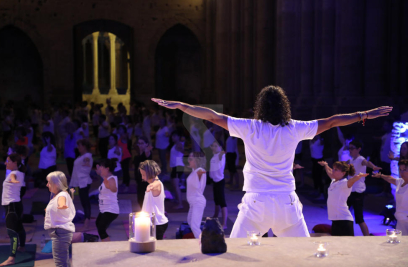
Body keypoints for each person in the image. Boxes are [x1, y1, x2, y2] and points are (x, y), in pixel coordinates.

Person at [152, 85, 392, 238]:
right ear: (284, 106)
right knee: (302, 259)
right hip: (286, 201)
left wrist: (181, 106)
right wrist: (365, 115)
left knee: (233, 257)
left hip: (256, 202)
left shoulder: (249, 127)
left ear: (260, 107)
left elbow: (214, 117)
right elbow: (331, 121)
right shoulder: (295, 128)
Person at [318, 161, 368, 236]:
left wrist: (358, 176)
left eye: (336, 169)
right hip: (335, 220)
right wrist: (326, 165)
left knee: (347, 246)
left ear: (343, 173)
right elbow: (329, 171)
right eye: (333, 168)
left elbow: (352, 180)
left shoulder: (344, 184)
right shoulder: (333, 181)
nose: (333, 170)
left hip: (344, 220)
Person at [347, 140, 382, 236]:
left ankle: (367, 237)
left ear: (359, 149)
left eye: (352, 148)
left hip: (357, 192)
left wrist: (373, 167)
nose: (350, 150)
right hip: (349, 191)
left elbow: (367, 162)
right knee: (344, 214)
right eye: (349, 148)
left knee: (359, 218)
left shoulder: (360, 159)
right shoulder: (351, 160)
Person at [44, 171, 75, 267]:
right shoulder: (59, 195)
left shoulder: (62, 195)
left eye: (49, 182)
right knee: (63, 264)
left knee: (62, 266)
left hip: (60, 233)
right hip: (60, 233)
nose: (47, 185)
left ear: (56, 184)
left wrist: (62, 206)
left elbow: (62, 202)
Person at [0, 154, 26, 267]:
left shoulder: (14, 174)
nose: (5, 163)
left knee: (12, 232)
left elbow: (13, 178)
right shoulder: (20, 173)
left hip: (11, 206)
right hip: (17, 205)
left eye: (8, 161)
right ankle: (22, 247)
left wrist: (13, 181)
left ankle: (11, 258)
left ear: (15, 162)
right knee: (19, 227)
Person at [372, 160, 408, 235]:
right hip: (400, 220)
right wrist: (381, 176)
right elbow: (390, 179)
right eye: (400, 169)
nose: (402, 172)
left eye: (404, 170)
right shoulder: (400, 181)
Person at [139, 160, 169, 240]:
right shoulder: (153, 184)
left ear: (150, 173)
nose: (142, 178)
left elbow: (155, 185)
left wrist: (150, 187)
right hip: (152, 223)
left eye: (143, 175)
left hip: (157, 224)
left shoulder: (157, 184)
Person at [70, 139, 93, 231]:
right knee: (84, 202)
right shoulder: (83, 156)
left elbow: (86, 167)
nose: (78, 147)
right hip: (81, 183)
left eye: (80, 145)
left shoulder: (87, 156)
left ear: (85, 146)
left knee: (85, 202)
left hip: (84, 182)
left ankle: (86, 224)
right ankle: (86, 220)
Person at [96, 158, 119, 241]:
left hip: (110, 210)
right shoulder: (106, 178)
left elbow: (114, 189)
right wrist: (98, 169)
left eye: (101, 167)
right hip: (105, 209)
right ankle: (105, 243)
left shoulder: (111, 179)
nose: (100, 169)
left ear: (107, 168)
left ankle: (108, 246)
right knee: (98, 223)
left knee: (101, 228)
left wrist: (108, 186)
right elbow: (99, 173)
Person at [186, 152, 207, 238]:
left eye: (191, 159)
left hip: (198, 201)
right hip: (193, 202)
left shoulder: (199, 170)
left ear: (197, 160)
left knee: (195, 226)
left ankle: (203, 243)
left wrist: (200, 172)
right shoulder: (194, 171)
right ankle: (201, 241)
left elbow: (201, 171)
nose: (188, 160)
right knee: (190, 222)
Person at [210, 140, 228, 229]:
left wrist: (221, 151)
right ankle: (215, 216)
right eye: (213, 146)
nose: (214, 147)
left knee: (222, 202)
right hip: (214, 181)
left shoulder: (221, 155)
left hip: (220, 181)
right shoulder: (213, 156)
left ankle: (225, 224)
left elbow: (221, 154)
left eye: (216, 146)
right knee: (216, 200)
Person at [134, 136, 153, 208]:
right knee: (140, 199)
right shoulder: (139, 153)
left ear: (146, 144)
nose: (140, 145)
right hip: (139, 180)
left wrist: (148, 149)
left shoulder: (146, 152)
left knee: (143, 199)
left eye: (142, 143)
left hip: (145, 180)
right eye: (139, 143)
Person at [170, 131, 185, 209]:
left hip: (178, 166)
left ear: (178, 137)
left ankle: (180, 204)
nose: (173, 137)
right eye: (172, 136)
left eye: (175, 136)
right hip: (175, 167)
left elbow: (183, 151)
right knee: (173, 184)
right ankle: (177, 199)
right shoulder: (176, 144)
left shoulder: (179, 144)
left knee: (176, 186)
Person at [117, 125, 132, 190]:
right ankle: (124, 182)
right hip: (122, 156)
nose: (119, 130)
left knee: (125, 170)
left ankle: (127, 184)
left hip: (126, 156)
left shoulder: (125, 136)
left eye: (121, 129)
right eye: (119, 129)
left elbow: (126, 141)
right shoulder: (120, 136)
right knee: (123, 170)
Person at [310, 134, 324, 199]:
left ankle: (322, 193)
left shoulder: (320, 140)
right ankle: (315, 190)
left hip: (319, 160)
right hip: (313, 160)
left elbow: (322, 142)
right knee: (314, 176)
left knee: (319, 177)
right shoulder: (312, 140)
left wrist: (320, 137)